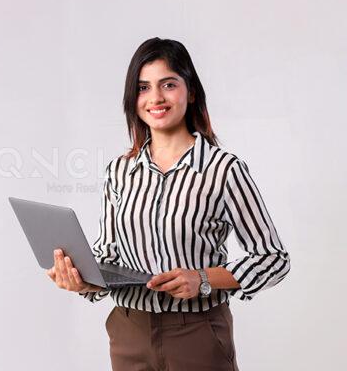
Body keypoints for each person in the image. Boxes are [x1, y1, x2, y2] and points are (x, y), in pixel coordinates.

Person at [46, 37, 290, 371]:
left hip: (198, 334)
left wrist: (202, 278)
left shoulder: (223, 169)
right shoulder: (120, 171)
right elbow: (109, 255)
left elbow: (273, 258)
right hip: (129, 332)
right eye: (143, 87)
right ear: (133, 99)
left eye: (168, 84)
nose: (156, 98)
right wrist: (83, 279)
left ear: (190, 93)